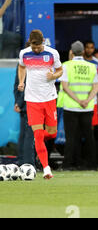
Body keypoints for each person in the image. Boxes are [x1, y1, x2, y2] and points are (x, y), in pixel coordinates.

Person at [17, 29, 63, 179]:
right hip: (32, 100)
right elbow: (22, 66)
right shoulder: (24, 53)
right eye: (33, 47)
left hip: (49, 98)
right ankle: (46, 168)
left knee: (51, 133)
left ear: (43, 42)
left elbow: (60, 70)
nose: (35, 49)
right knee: (37, 134)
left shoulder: (52, 53)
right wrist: (22, 82)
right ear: (30, 43)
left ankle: (40, 145)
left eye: (38, 47)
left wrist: (54, 75)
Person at [60, 41, 98, 171]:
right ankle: (92, 164)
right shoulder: (92, 67)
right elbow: (96, 87)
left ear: (71, 52)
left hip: (71, 106)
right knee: (89, 136)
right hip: (87, 107)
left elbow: (65, 87)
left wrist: (78, 100)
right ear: (83, 52)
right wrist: (86, 100)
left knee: (71, 137)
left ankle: (68, 164)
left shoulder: (66, 65)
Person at [13, 62, 35, 166]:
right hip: (32, 104)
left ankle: (22, 162)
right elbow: (28, 85)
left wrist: (17, 102)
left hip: (24, 105)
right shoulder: (32, 63)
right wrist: (20, 102)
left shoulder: (20, 63)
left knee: (24, 135)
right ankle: (28, 164)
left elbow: (17, 85)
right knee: (30, 136)